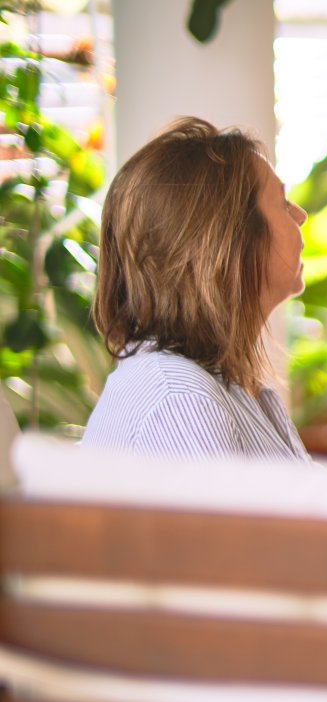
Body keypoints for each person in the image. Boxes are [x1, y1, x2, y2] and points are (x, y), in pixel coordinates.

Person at [83, 117, 309, 459]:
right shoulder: (179, 400)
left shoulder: (236, 388)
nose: (300, 215)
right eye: (282, 202)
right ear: (232, 240)